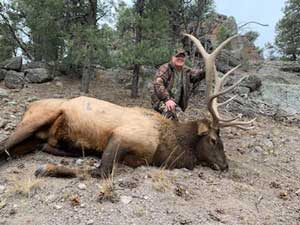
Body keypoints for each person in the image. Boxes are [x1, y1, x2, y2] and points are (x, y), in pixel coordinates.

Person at [151, 48, 205, 120]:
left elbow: (197, 76)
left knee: (180, 119)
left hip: (176, 104)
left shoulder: (186, 71)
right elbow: (158, 83)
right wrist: (167, 99)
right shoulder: (165, 68)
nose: (180, 58)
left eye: (182, 57)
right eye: (177, 56)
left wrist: (206, 70)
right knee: (175, 117)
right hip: (162, 101)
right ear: (172, 58)